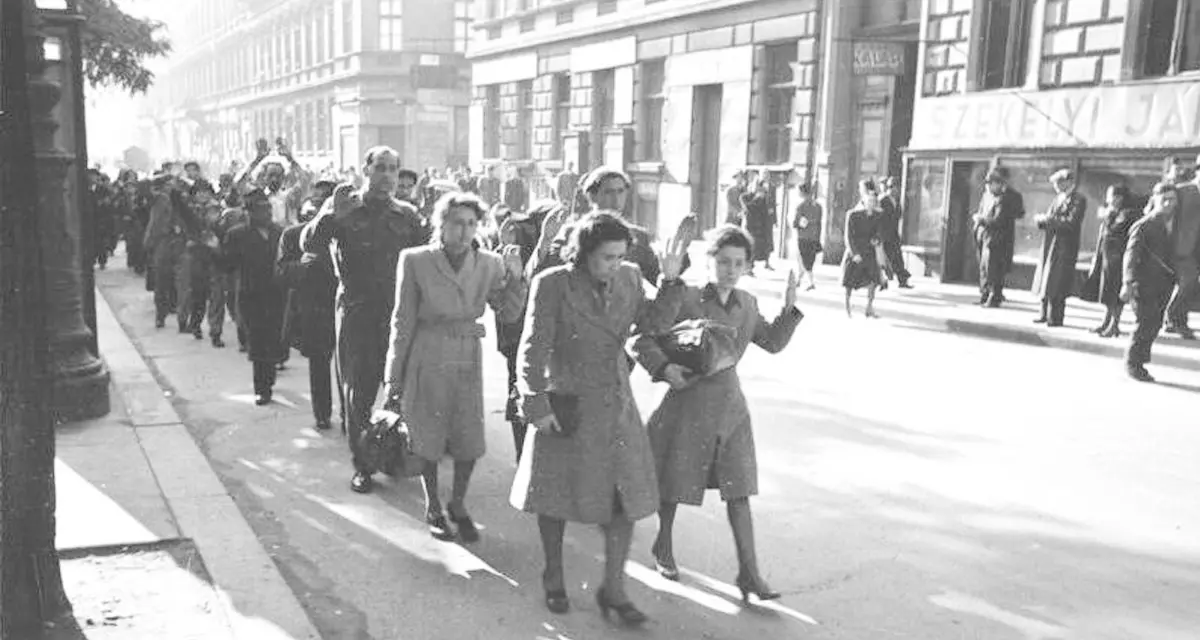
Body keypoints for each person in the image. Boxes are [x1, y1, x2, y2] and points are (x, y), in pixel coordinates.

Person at [511, 212, 688, 622]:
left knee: (623, 501)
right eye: (607, 256)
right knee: (554, 499)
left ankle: (614, 588)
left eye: (621, 255)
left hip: (615, 405)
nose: (616, 264)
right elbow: (532, 349)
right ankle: (553, 575)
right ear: (584, 252)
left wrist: (670, 280)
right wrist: (536, 405)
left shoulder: (628, 276)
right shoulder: (552, 284)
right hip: (566, 405)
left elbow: (651, 325)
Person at [632, 225, 802, 603]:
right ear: (709, 262)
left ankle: (749, 573)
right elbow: (643, 335)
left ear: (746, 266)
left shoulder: (747, 303)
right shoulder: (687, 297)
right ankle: (663, 544)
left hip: (730, 408)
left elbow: (771, 342)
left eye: (738, 263)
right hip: (688, 402)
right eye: (723, 261)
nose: (730, 269)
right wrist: (665, 369)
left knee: (739, 488)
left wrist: (788, 309)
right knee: (674, 482)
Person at [379, 192, 527, 541]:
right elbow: (402, 321)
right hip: (427, 352)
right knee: (427, 435)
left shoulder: (490, 263)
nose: (465, 232)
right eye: (457, 223)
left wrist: (517, 279)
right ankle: (433, 506)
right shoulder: (415, 260)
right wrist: (393, 377)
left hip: (466, 356)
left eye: (472, 224)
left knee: (467, 437)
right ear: (440, 224)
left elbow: (508, 313)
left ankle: (458, 503)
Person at [301, 146, 429, 494]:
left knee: (400, 390)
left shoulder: (408, 215)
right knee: (359, 393)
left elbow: (430, 256)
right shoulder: (345, 208)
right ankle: (362, 466)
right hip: (357, 313)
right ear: (365, 170)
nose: (386, 175)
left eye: (393, 168)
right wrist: (331, 216)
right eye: (380, 168)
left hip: (398, 315)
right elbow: (310, 244)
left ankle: (391, 455)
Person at [529, 166, 693, 284]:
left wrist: (678, 252)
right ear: (592, 196)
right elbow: (541, 275)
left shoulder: (637, 237)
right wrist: (545, 241)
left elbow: (659, 276)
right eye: (608, 192)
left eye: (621, 191)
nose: (616, 199)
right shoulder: (572, 233)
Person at [276, 180, 340, 430]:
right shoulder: (293, 235)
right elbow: (280, 273)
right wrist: (301, 265)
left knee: (349, 367)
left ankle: (350, 415)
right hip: (314, 307)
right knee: (320, 364)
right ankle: (322, 413)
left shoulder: (345, 234)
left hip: (346, 305)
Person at [221, 188, 288, 405]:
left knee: (274, 339)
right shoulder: (237, 235)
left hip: (277, 295)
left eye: (268, 208)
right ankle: (262, 388)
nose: (266, 213)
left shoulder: (280, 232)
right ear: (249, 213)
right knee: (258, 342)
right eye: (260, 209)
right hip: (251, 295)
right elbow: (227, 265)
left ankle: (269, 380)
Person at [1122, 183, 1181, 382]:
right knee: (1144, 324)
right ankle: (1132, 363)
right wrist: (1127, 283)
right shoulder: (1144, 225)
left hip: (1164, 284)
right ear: (1154, 199)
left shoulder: (1175, 224)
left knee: (1154, 324)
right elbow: (1130, 256)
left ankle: (1140, 363)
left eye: (1172, 199)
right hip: (1143, 283)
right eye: (1164, 199)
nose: (1168, 203)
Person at [1083, 185, 1141, 338]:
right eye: (1110, 197)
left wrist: (1108, 215)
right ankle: (1106, 321)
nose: (1111, 200)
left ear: (1122, 198)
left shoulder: (1127, 213)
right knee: (1107, 291)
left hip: (1119, 258)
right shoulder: (1114, 212)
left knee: (1115, 292)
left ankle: (1114, 324)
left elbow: (1114, 231)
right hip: (1107, 257)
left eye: (1115, 197)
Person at [1033, 169, 1087, 327]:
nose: (1056, 186)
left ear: (1068, 182)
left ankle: (1055, 317)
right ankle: (1044, 313)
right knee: (1046, 279)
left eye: (1058, 183)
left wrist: (1049, 220)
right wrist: (1042, 221)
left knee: (1058, 281)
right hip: (1051, 244)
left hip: (1065, 246)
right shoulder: (1058, 198)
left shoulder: (1078, 199)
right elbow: (1053, 218)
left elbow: (1071, 222)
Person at [973, 169, 1026, 307]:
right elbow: (981, 210)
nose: (989, 187)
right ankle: (984, 293)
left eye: (992, 183)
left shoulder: (1008, 196)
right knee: (984, 267)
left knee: (994, 268)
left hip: (999, 237)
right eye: (988, 183)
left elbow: (1007, 217)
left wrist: (983, 220)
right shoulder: (987, 195)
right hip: (984, 235)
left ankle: (994, 296)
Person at [1165, 156, 1200, 339]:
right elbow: (1166, 217)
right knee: (1189, 281)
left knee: (1189, 286)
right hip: (1183, 248)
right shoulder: (1182, 191)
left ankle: (1177, 321)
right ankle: (1172, 315)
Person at [842, 180, 883, 318]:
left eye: (874, 201)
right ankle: (847, 306)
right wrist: (854, 254)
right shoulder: (853, 214)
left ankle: (869, 307)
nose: (872, 203)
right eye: (869, 200)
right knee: (849, 281)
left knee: (874, 280)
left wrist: (876, 239)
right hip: (856, 252)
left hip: (869, 252)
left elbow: (879, 232)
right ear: (864, 201)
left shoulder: (878, 216)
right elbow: (848, 236)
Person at [879, 177, 912, 288]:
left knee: (897, 257)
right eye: (893, 187)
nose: (896, 190)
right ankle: (882, 280)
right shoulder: (883, 200)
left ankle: (902, 281)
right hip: (884, 235)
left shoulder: (896, 201)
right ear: (889, 188)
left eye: (897, 188)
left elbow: (899, 215)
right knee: (884, 259)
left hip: (893, 234)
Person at [741, 173, 776, 273]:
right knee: (749, 246)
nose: (762, 192)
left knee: (757, 247)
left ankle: (751, 267)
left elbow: (765, 211)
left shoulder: (763, 198)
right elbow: (747, 205)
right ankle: (748, 268)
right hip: (750, 225)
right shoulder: (748, 196)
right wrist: (755, 198)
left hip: (760, 227)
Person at [791, 182, 823, 290]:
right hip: (814, 237)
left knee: (803, 259)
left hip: (803, 236)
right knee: (808, 259)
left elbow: (795, 223)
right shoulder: (818, 206)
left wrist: (797, 224)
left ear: (802, 193)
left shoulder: (800, 206)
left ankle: (810, 282)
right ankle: (799, 280)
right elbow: (819, 222)